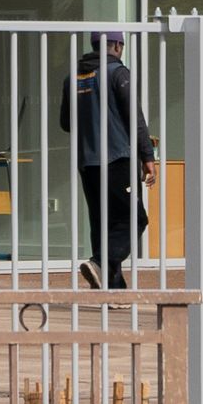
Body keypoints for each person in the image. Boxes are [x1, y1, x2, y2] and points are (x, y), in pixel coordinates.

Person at [59, 33, 154, 289]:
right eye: (120, 45)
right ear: (116, 46)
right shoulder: (117, 73)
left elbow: (66, 123)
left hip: (88, 162)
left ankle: (112, 289)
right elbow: (135, 118)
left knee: (103, 224)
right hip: (117, 158)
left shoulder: (73, 78)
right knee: (134, 219)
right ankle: (101, 263)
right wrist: (148, 156)